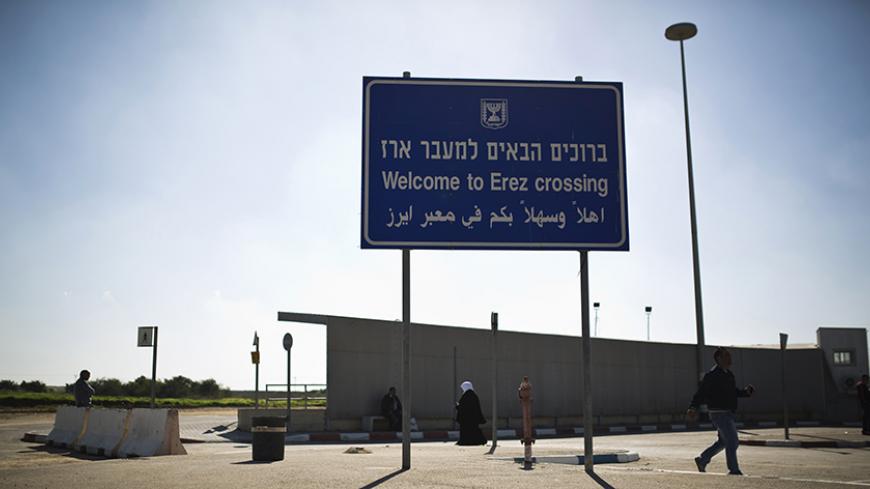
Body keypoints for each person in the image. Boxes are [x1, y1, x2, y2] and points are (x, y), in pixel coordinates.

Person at [687, 347, 755, 475]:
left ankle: (703, 459)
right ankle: (733, 470)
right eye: (726, 356)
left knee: (723, 441)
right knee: (732, 441)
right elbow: (700, 393)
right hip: (719, 413)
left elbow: (733, 392)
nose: (730, 359)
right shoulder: (712, 375)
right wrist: (693, 407)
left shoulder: (728, 375)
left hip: (728, 412)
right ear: (719, 358)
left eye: (729, 356)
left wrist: (745, 393)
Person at [455, 380, 486, 445]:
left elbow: (464, 408)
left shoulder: (465, 396)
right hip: (473, 419)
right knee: (474, 430)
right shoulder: (474, 396)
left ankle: (465, 442)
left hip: (466, 419)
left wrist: (458, 406)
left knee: (466, 431)